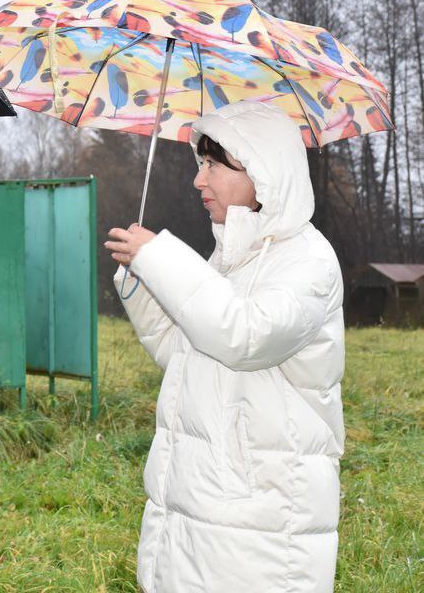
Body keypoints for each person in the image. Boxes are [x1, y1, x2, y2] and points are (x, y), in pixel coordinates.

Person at [105, 101, 345, 592]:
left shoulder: (310, 262)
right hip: (199, 500)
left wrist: (162, 259)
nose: (200, 180)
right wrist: (142, 284)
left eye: (215, 165)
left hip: (262, 515)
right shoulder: (230, 256)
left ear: (264, 171)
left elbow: (244, 336)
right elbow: (189, 354)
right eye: (201, 165)